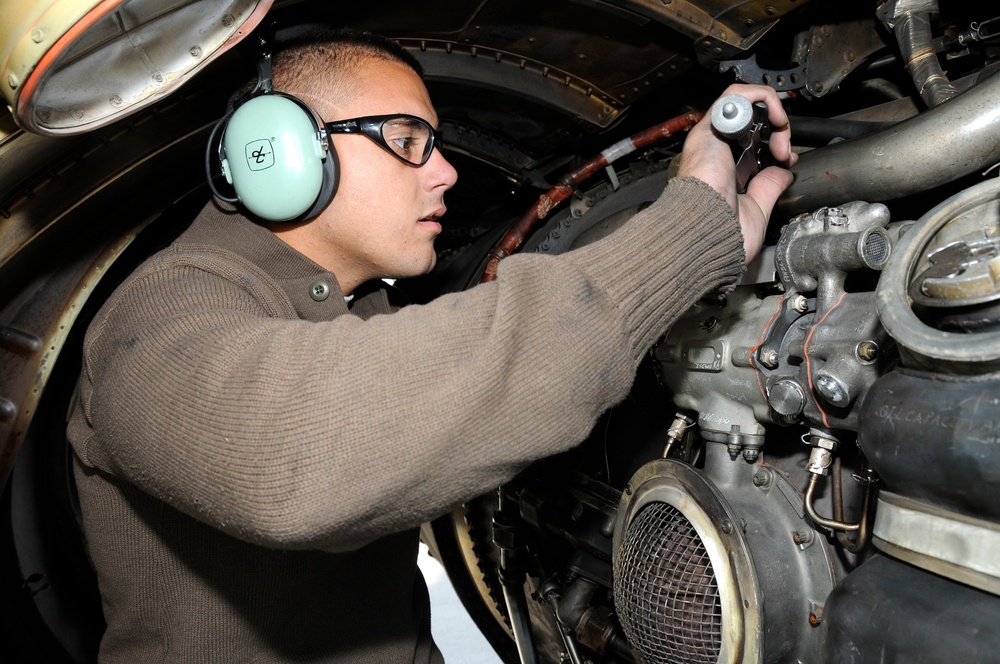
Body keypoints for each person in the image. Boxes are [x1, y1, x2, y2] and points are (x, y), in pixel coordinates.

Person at [67, 26, 795, 664]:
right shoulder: (160, 313)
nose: (445, 173)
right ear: (279, 154)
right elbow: (297, 460)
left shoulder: (354, 313)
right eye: (408, 141)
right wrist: (687, 233)